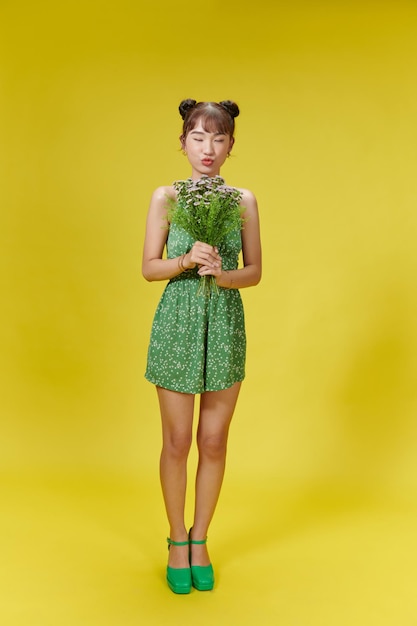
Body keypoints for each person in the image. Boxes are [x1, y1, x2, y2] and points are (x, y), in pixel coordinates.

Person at [142, 99, 262, 594]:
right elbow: (149, 266)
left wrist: (224, 273)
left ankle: (200, 538)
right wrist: (187, 260)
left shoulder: (243, 201)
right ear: (183, 141)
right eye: (198, 137)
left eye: (219, 138)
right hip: (177, 323)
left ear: (231, 145)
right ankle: (175, 540)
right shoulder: (165, 196)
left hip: (225, 322)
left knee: (214, 440)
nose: (208, 148)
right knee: (178, 442)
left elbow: (255, 271)